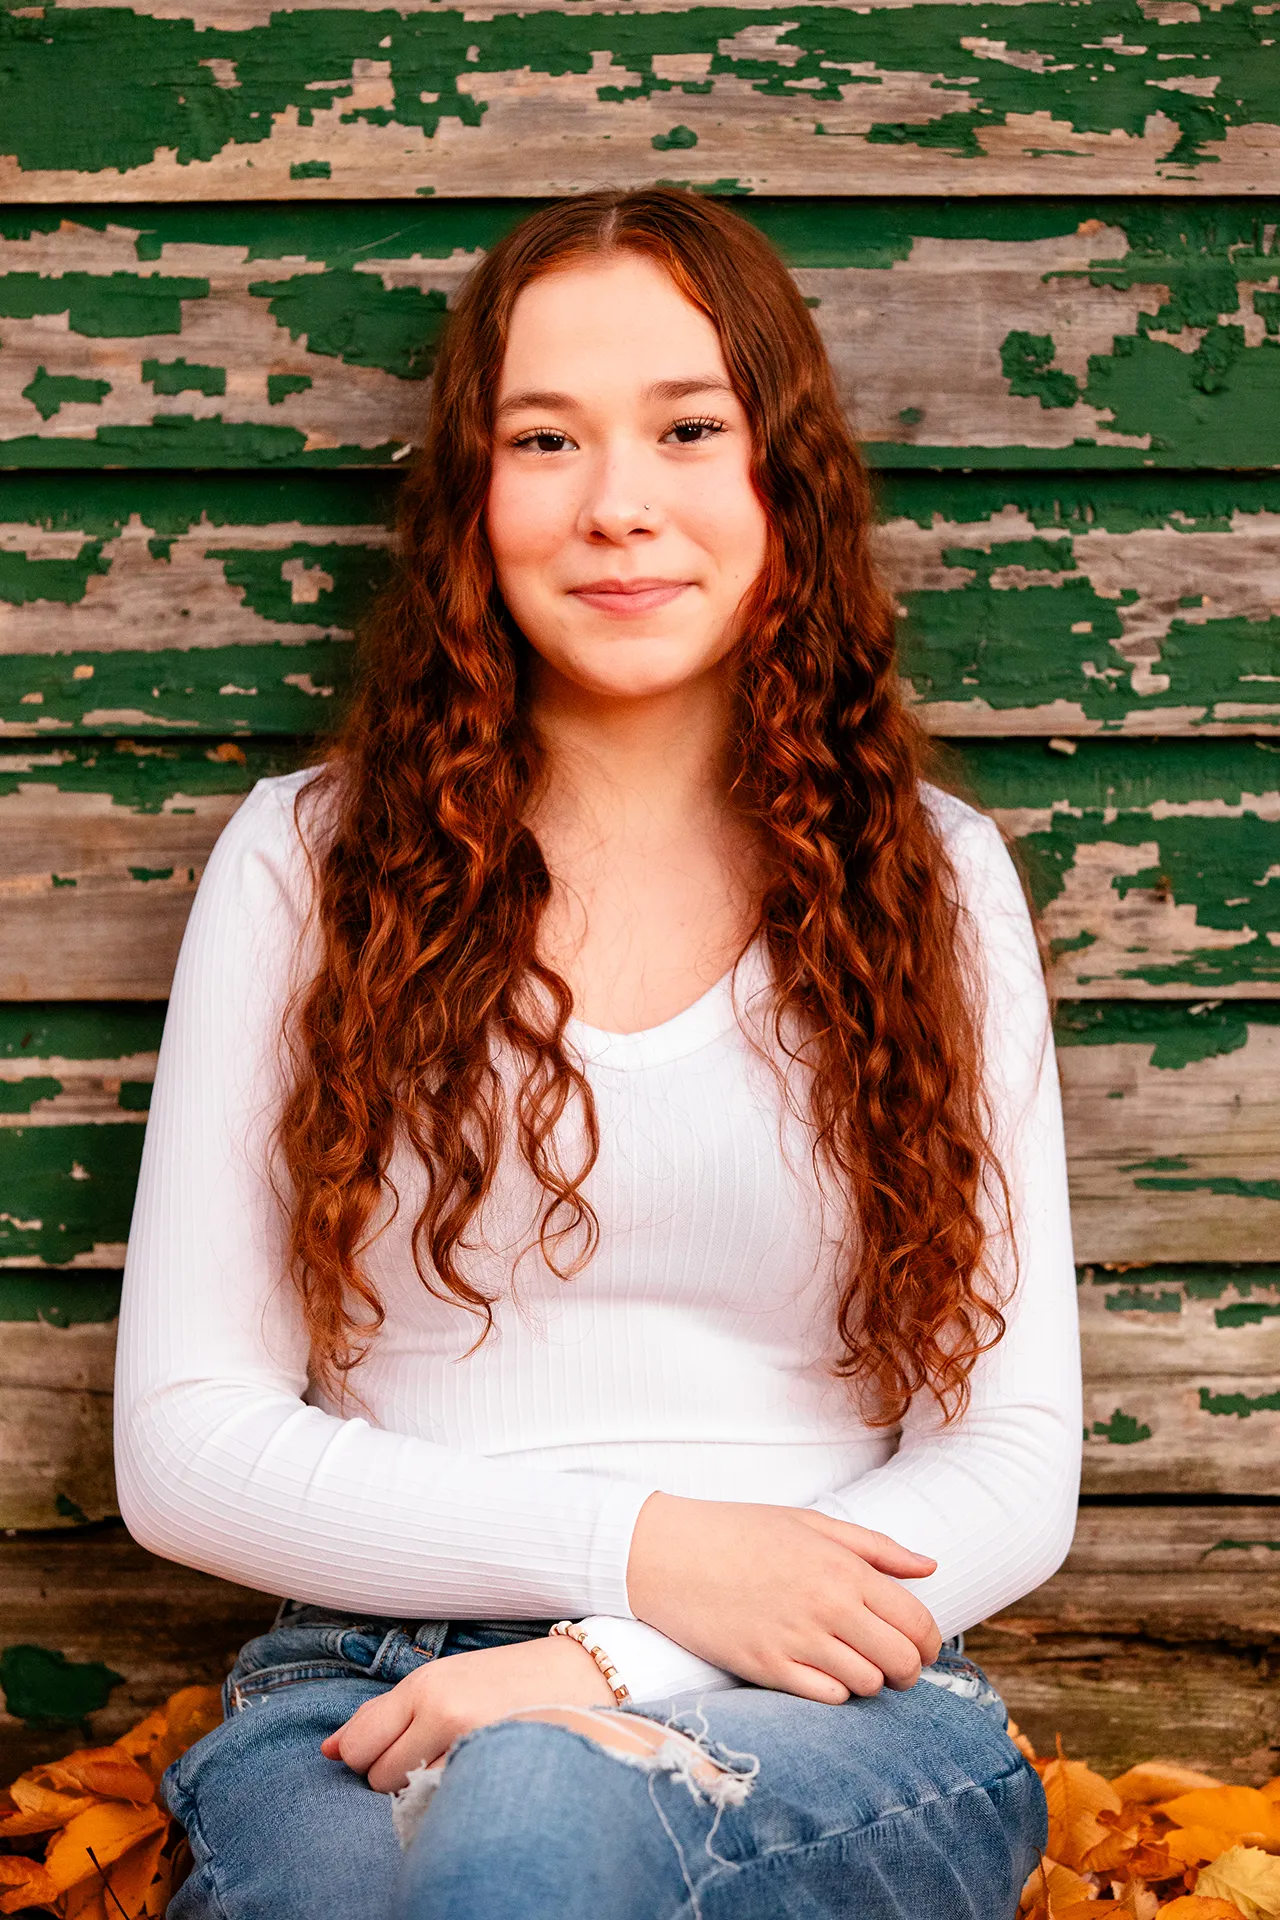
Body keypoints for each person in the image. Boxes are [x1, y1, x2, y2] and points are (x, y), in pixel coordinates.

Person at [114, 186, 1081, 1920]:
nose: (620, 505)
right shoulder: (306, 863)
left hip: (819, 1698)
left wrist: (615, 1664)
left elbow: (1012, 1459)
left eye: (689, 429)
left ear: (783, 471)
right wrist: (645, 1555)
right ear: (472, 501)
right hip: (367, 1684)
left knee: (540, 1824)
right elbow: (185, 1447)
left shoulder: (933, 883)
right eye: (544, 438)